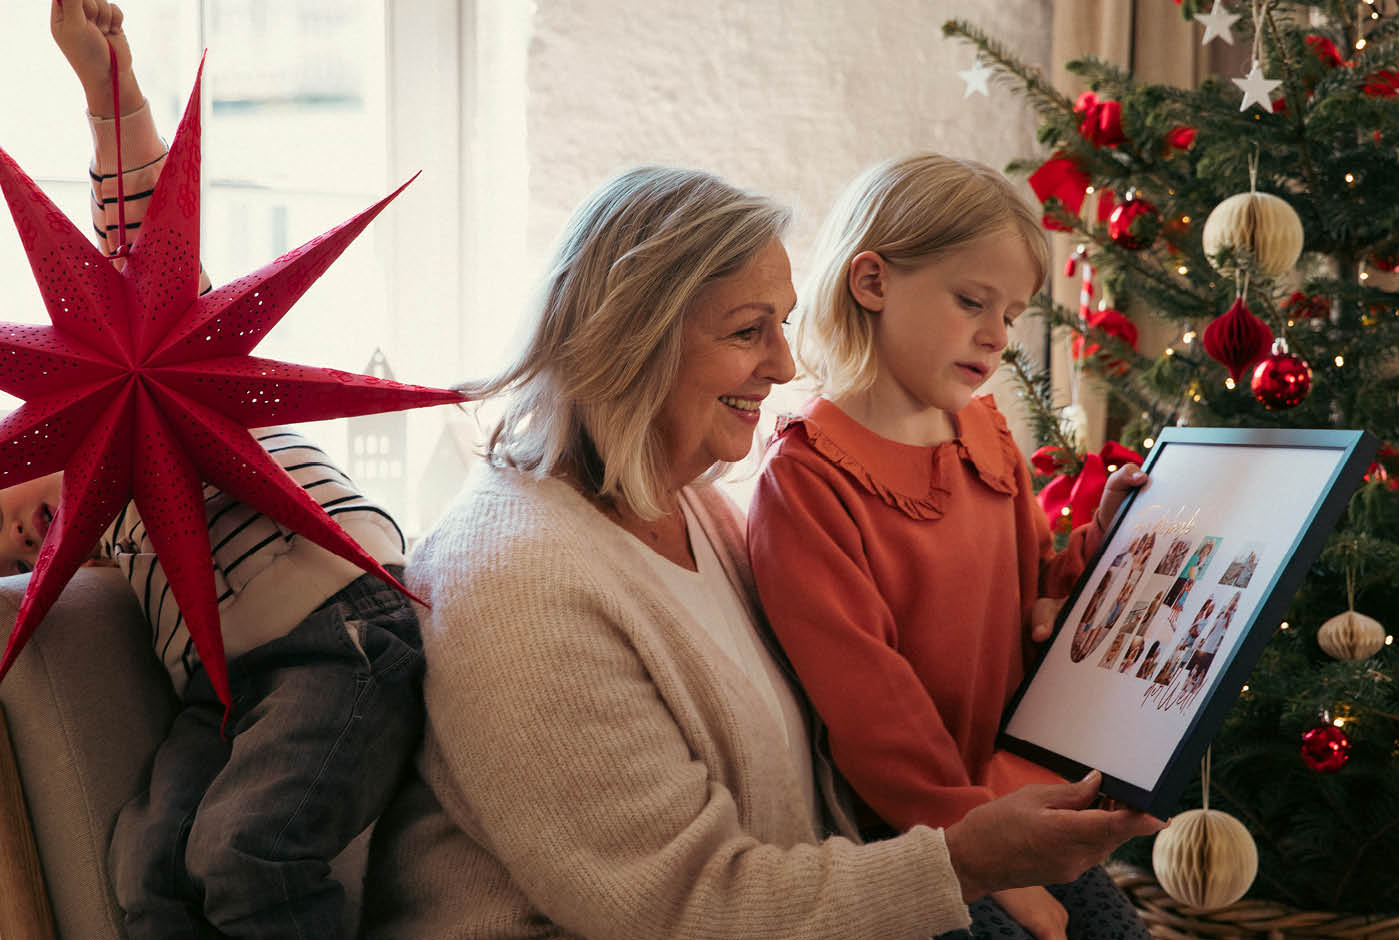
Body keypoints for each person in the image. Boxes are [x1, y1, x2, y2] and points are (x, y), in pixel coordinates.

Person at [361, 163, 1163, 938]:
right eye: (749, 331)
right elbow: (682, 906)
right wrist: (963, 861)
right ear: (628, 335)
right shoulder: (518, 583)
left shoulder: (697, 506)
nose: (783, 368)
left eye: (780, 326)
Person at [6, 4, 426, 936]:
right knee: (146, 871)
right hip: (222, 691)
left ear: (31, 428)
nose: (14, 541)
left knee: (243, 851)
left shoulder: (162, 361)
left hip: (344, 627)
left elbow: (142, 230)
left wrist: (104, 84)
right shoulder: (107, 534)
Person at [747, 153, 1152, 940]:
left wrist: (1106, 540)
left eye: (1011, 314)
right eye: (972, 301)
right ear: (872, 283)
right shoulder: (806, 479)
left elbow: (1039, 597)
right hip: (910, 842)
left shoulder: (984, 429)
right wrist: (987, 857)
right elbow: (875, 720)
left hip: (1015, 799)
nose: (996, 336)